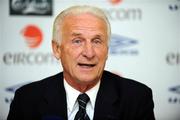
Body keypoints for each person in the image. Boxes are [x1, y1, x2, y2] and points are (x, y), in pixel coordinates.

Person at [7, 5, 155, 120]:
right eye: (77, 41)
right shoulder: (27, 100)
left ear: (107, 50)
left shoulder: (136, 98)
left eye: (97, 41)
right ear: (57, 48)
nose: (89, 53)